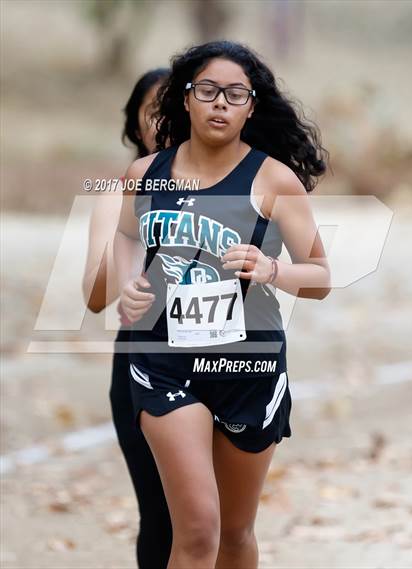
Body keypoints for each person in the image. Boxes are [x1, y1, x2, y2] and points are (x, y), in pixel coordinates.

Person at [115, 40, 331, 569]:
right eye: (208, 90)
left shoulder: (274, 180)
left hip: (247, 366)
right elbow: (124, 240)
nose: (220, 104)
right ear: (185, 99)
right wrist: (127, 284)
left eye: (236, 94)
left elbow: (321, 276)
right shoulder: (143, 175)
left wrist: (273, 269)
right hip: (165, 361)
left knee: (234, 534)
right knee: (197, 530)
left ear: (251, 106)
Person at [82, 68, 172, 569]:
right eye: (151, 112)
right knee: (162, 516)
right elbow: (95, 298)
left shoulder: (237, 180)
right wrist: (128, 229)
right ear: (136, 129)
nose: (165, 121)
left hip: (222, 361)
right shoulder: (120, 191)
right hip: (144, 361)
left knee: (219, 518)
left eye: (174, 108)